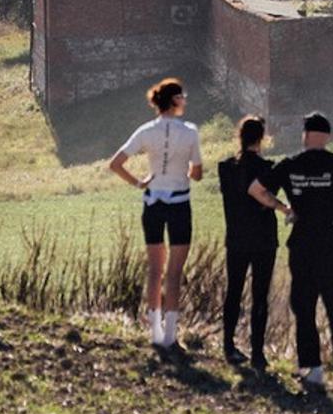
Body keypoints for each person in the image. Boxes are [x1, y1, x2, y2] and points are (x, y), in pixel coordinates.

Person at [271, 111, 333, 398]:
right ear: (327, 137)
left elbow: (258, 190)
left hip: (301, 244)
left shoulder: (290, 165)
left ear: (304, 136)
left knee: (304, 307)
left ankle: (312, 369)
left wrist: (285, 209)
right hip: (331, 244)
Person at [108, 76, 204, 353]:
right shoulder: (190, 132)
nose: (185, 100)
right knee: (174, 271)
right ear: (174, 101)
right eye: (182, 96)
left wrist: (139, 182)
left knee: (155, 269)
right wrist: (184, 171)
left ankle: (155, 331)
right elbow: (197, 174)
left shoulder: (146, 130)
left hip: (152, 202)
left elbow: (115, 163)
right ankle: (171, 334)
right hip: (179, 202)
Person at [218, 115, 284, 372]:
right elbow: (266, 197)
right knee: (260, 296)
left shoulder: (225, 168)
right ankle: (257, 352)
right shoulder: (268, 167)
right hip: (264, 239)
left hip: (236, 237)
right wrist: (283, 208)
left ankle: (228, 345)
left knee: (233, 291)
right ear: (262, 138)